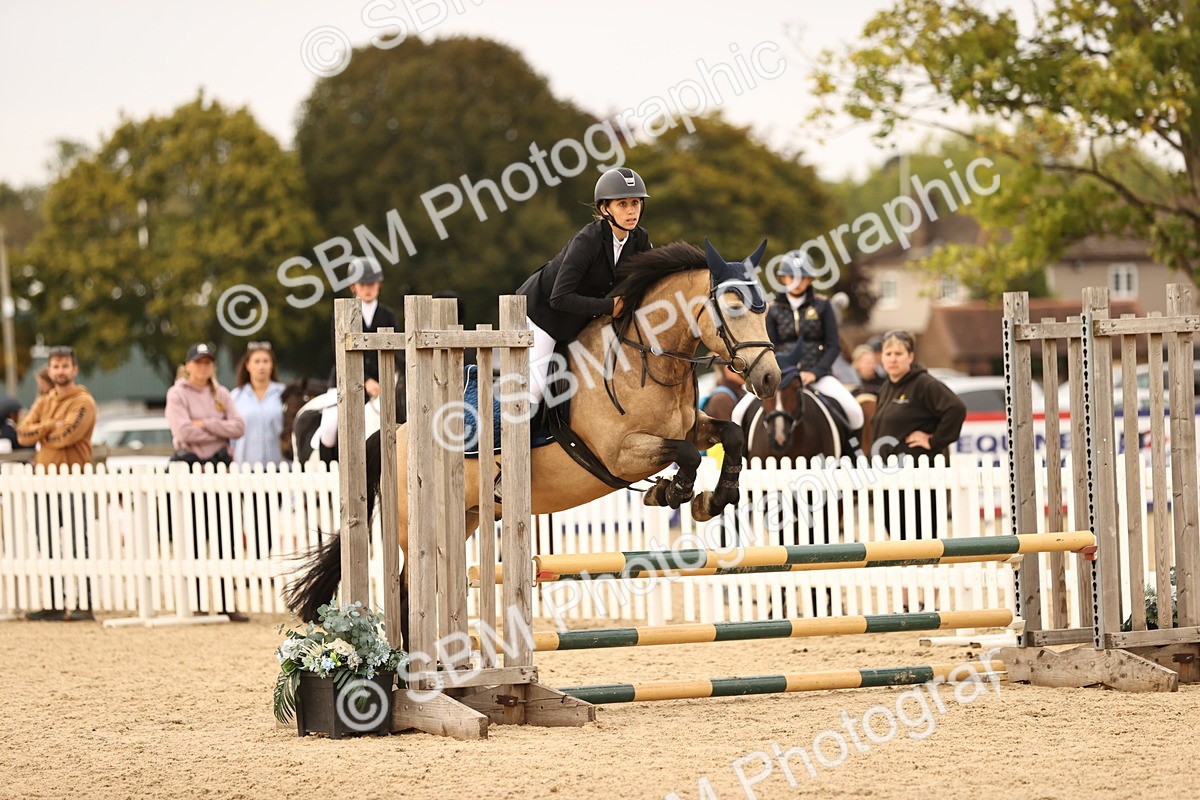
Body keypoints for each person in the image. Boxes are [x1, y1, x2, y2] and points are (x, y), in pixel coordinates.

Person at [516, 166, 652, 412]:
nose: (631, 211)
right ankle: (513, 445)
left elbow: (652, 281)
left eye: (635, 202)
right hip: (541, 315)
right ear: (604, 209)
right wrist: (609, 307)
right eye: (622, 204)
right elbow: (560, 298)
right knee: (534, 390)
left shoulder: (639, 240)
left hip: (577, 319)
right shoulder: (587, 241)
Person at [732, 250, 864, 435]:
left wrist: (815, 372)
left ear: (810, 279)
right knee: (737, 414)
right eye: (792, 276)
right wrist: (783, 372)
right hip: (782, 377)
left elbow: (833, 345)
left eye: (802, 277)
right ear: (783, 278)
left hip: (817, 374)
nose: (797, 281)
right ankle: (740, 460)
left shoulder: (823, 306)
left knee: (854, 411)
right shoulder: (772, 309)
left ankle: (854, 457)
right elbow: (771, 347)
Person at [165, 343, 248, 622]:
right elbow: (183, 431)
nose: (203, 367)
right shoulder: (177, 394)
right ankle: (199, 601)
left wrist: (206, 423)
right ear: (188, 365)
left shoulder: (221, 393)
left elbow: (239, 427)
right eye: (198, 362)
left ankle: (227, 601)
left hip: (220, 468)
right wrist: (217, 426)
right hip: (191, 468)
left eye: (208, 362)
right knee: (195, 536)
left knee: (227, 536)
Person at [16, 345, 98, 620]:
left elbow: (68, 436)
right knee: (47, 542)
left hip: (74, 479)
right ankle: (53, 602)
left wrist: (43, 432)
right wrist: (50, 425)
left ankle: (84, 603)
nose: (60, 371)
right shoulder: (45, 401)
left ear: (74, 369)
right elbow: (23, 434)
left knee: (78, 543)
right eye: (55, 366)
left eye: (65, 366)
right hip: (45, 481)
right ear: (49, 370)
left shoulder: (84, 402)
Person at [871, 330, 967, 539]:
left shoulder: (924, 383)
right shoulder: (887, 387)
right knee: (898, 537)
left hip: (917, 477)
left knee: (920, 538)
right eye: (888, 354)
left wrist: (934, 441)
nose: (893, 359)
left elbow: (956, 409)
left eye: (899, 353)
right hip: (890, 477)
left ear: (911, 357)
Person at [318, 257, 399, 458]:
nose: (367, 288)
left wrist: (387, 380)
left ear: (379, 284)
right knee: (329, 426)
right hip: (344, 379)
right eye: (363, 284)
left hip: (382, 383)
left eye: (371, 283)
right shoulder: (343, 314)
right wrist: (364, 381)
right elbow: (339, 351)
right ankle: (328, 469)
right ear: (353, 286)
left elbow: (395, 351)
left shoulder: (388, 315)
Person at [230, 342, 285, 466]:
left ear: (272, 365)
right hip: (245, 468)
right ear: (248, 365)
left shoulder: (283, 394)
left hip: (279, 466)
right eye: (257, 361)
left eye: (266, 361)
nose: (262, 366)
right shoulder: (236, 396)